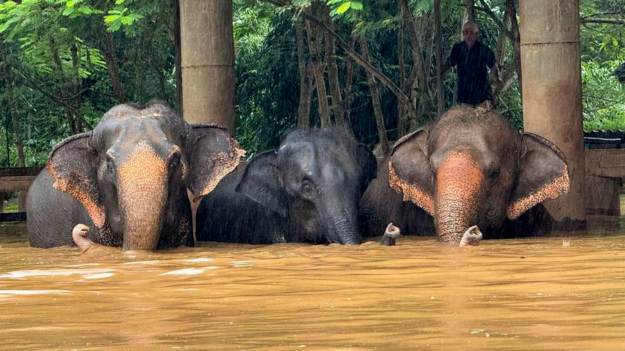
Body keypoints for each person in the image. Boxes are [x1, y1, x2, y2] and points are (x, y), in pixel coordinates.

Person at [441, 21, 499, 109]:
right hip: (465, 90)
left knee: (483, 118)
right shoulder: (458, 49)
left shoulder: (484, 50)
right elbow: (450, 62)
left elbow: (493, 66)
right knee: (467, 119)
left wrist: (497, 78)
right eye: (466, 32)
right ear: (463, 33)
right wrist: (439, 74)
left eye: (471, 33)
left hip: (481, 90)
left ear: (476, 34)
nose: (468, 35)